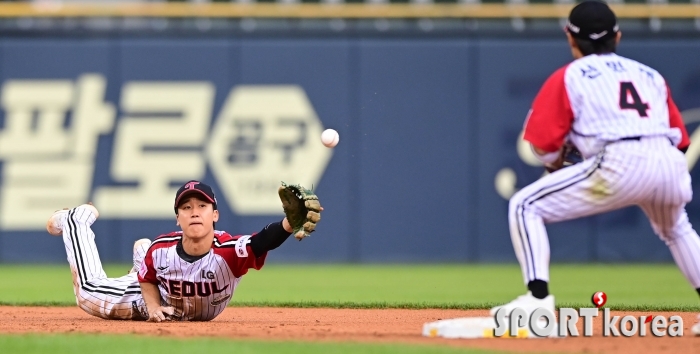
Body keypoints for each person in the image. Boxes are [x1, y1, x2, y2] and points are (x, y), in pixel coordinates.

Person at [490, 0, 700, 335]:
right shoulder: (649, 75)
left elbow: (544, 146)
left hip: (619, 161)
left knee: (524, 205)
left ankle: (537, 299)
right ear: (617, 37)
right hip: (668, 161)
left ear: (570, 38)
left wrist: (556, 162)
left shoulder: (569, 76)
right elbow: (682, 140)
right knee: (677, 229)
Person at [46, 180, 316, 321]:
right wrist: (152, 307)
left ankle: (140, 253)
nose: (194, 212)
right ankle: (76, 221)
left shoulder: (227, 252)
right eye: (186, 208)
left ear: (215, 215)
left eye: (202, 206)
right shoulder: (163, 249)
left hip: (168, 281)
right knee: (88, 293)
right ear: (178, 218)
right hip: (158, 298)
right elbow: (148, 278)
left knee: (149, 258)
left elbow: (261, 241)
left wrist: (288, 224)